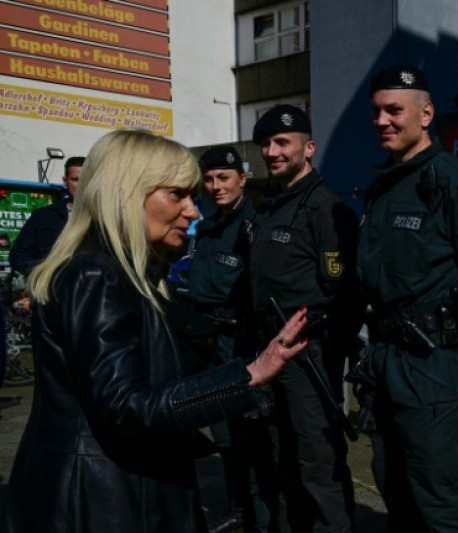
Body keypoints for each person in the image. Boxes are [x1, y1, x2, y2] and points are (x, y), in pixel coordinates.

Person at [2, 128, 309, 533]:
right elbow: (129, 405)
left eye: (192, 196)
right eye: (177, 195)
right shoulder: (95, 275)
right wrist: (247, 375)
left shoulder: (130, 275)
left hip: (122, 488)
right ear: (126, 194)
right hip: (101, 501)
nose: (193, 211)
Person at [356, 64, 458, 532]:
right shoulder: (383, 185)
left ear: (426, 114)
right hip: (384, 357)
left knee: (435, 491)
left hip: (430, 362)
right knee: (391, 479)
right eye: (376, 111)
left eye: (394, 110)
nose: (382, 120)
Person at [248, 104, 362, 532]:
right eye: (266, 144)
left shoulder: (326, 211)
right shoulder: (271, 206)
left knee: (319, 460)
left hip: (308, 356)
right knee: (284, 457)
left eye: (282, 142)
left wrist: (326, 345)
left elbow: (346, 296)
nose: (272, 151)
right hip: (270, 353)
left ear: (308, 147)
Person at [188, 145, 276, 532]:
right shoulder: (206, 228)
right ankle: (237, 507)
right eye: (208, 180)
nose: (215, 186)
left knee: (251, 435)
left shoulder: (255, 226)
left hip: (240, 342)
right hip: (209, 343)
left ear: (242, 179)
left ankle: (261, 512)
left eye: (223, 178)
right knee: (224, 437)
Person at [10, 155, 84, 275]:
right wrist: (45, 273)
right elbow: (19, 255)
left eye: (85, 180)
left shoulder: (104, 218)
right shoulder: (43, 217)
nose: (81, 185)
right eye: (75, 179)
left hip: (92, 289)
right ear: (65, 181)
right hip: (50, 290)